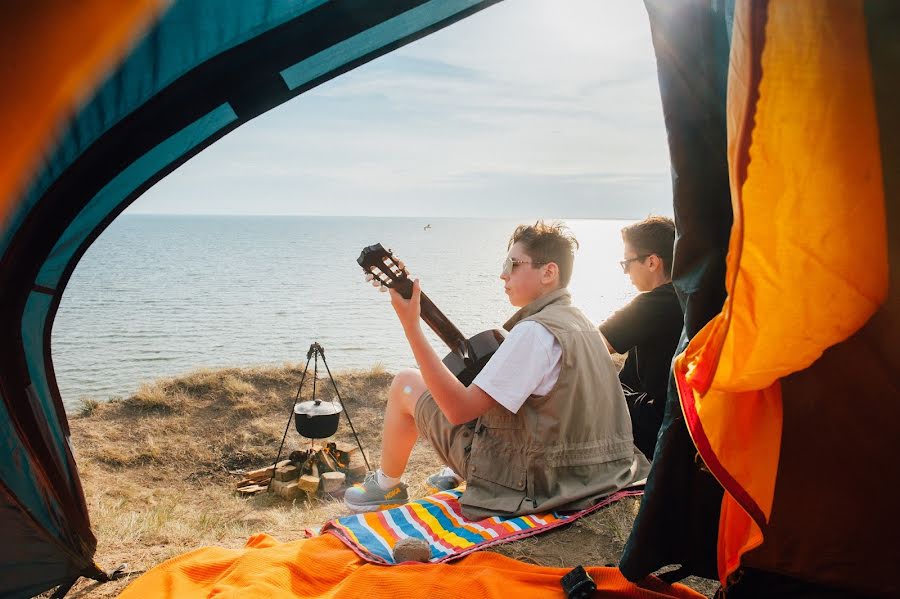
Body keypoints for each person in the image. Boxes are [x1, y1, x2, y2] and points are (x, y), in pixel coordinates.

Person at [345, 221, 650, 517]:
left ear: (549, 272)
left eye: (514, 265)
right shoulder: (581, 322)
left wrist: (411, 325)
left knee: (406, 382)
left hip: (540, 481)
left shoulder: (533, 332)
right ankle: (437, 476)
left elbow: (458, 411)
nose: (503, 275)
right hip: (598, 469)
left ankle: (386, 486)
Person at [599, 216, 683, 460]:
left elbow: (592, 345)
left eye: (627, 263)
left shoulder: (656, 303)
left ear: (652, 262)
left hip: (659, 421)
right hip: (683, 416)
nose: (626, 272)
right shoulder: (689, 296)